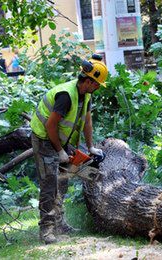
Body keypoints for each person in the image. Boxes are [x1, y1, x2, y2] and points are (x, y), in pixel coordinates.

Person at [30, 55, 108, 244]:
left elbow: (87, 121)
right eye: (97, 84)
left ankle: (59, 222)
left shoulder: (86, 95)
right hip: (44, 139)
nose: (97, 88)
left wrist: (90, 147)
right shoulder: (66, 96)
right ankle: (46, 229)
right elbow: (50, 126)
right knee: (50, 183)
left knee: (64, 180)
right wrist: (59, 151)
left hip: (61, 140)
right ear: (88, 81)